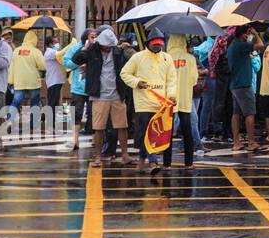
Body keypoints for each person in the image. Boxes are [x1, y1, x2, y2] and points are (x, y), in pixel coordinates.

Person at [72, 28, 132, 168]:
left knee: (122, 126)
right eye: (105, 45)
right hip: (99, 95)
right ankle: (98, 157)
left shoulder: (118, 52)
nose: (107, 48)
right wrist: (86, 47)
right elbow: (76, 59)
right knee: (99, 128)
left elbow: (131, 62)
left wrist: (127, 47)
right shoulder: (92, 51)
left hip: (117, 94)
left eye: (109, 46)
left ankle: (125, 155)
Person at [121, 36, 178, 175]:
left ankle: (142, 162)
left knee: (153, 134)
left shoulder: (167, 58)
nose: (157, 47)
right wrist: (137, 82)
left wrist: (171, 96)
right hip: (144, 103)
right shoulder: (138, 57)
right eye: (155, 45)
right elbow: (124, 73)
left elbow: (171, 80)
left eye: (160, 45)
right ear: (148, 44)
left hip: (161, 104)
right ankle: (153, 162)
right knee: (145, 133)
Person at [227, 26, 262, 152]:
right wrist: (256, 33)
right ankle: (251, 142)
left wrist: (249, 34)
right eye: (247, 34)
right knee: (249, 113)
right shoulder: (240, 46)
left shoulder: (234, 45)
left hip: (235, 84)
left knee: (236, 113)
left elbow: (249, 44)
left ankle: (236, 142)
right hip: (244, 84)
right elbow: (259, 45)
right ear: (243, 35)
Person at [167, 34, 200, 168]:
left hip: (169, 99)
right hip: (185, 99)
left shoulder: (166, 57)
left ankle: (167, 163)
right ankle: (188, 163)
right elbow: (194, 80)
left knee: (168, 133)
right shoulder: (191, 59)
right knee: (187, 132)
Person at [8, 29, 46, 122]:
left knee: (16, 101)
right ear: (34, 40)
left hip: (19, 81)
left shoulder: (16, 51)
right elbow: (43, 66)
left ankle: (9, 121)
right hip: (33, 81)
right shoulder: (36, 52)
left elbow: (12, 67)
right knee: (34, 103)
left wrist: (10, 81)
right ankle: (33, 124)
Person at [62, 30, 89, 152]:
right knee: (76, 114)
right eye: (92, 36)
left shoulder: (98, 48)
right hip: (78, 87)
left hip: (94, 87)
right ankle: (75, 139)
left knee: (94, 115)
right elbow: (66, 63)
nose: (94, 39)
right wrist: (78, 64)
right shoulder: (75, 48)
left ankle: (95, 139)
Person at [43, 36, 66, 114]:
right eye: (55, 42)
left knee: (54, 102)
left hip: (57, 81)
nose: (57, 44)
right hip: (53, 81)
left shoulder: (53, 52)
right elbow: (61, 53)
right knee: (52, 103)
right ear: (50, 44)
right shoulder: (50, 52)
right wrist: (71, 46)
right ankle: (50, 122)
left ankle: (49, 119)